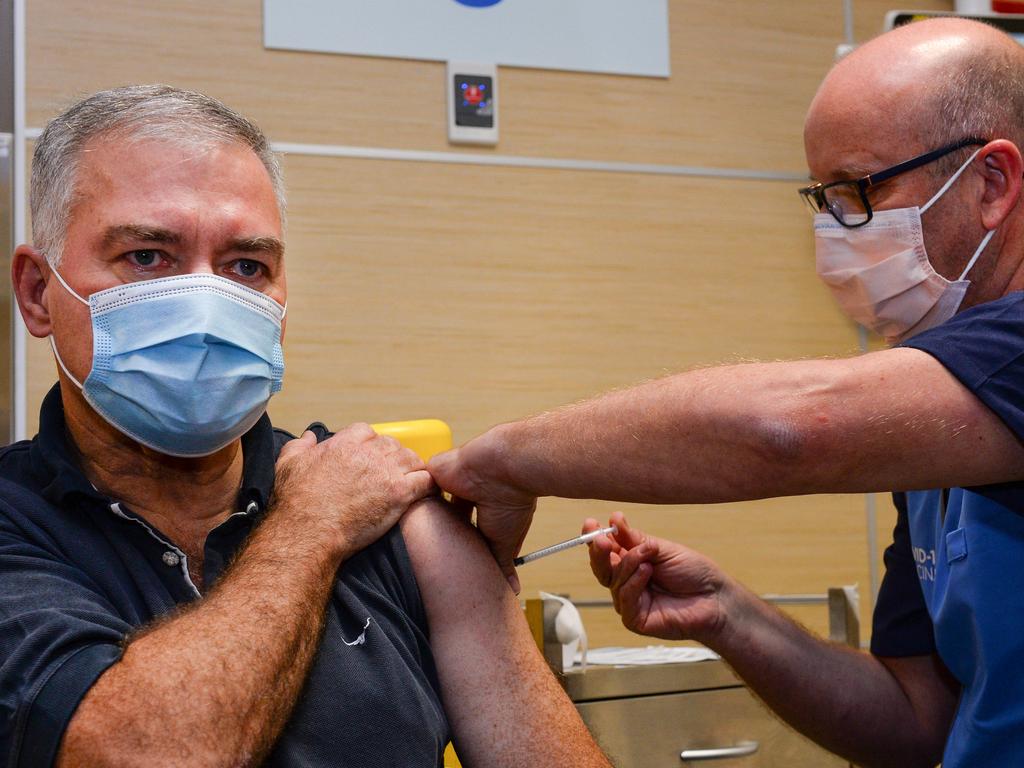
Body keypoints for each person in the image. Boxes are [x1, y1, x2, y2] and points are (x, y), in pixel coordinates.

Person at [429, 17, 1024, 768]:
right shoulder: (939, 413)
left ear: (992, 183)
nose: (836, 230)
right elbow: (918, 724)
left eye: (858, 191)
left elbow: (790, 430)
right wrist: (726, 612)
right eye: (824, 197)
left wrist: (505, 461)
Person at [0, 85, 610, 768]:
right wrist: (312, 526)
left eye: (246, 267)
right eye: (148, 256)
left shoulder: (389, 512)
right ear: (36, 292)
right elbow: (139, 756)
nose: (209, 303)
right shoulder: (341, 504)